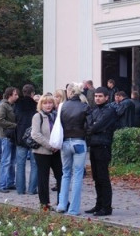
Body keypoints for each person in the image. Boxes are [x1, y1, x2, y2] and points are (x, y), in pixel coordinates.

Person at [85, 86, 119, 216]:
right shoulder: (95, 110)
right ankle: (99, 204)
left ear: (106, 97)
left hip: (103, 146)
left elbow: (97, 126)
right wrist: (93, 126)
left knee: (103, 177)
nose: (97, 98)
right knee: (96, 177)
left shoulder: (110, 111)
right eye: (96, 96)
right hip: (94, 145)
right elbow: (89, 126)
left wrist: (93, 127)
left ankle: (106, 207)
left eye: (100, 96)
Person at [56, 82, 89, 215]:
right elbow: (88, 125)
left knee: (65, 174)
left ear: (69, 92)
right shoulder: (84, 106)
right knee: (77, 175)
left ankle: (61, 204)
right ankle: (74, 209)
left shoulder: (62, 106)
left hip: (65, 142)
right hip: (79, 141)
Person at [31, 93, 63, 210]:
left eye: (50, 103)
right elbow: (35, 134)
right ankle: (44, 203)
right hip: (42, 152)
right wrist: (50, 146)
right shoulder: (37, 116)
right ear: (41, 105)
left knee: (60, 175)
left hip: (56, 151)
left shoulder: (56, 116)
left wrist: (57, 145)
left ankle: (62, 201)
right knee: (43, 177)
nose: (48, 105)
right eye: (45, 103)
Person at [14, 84, 38, 195]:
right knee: (34, 164)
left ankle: (20, 189)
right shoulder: (36, 105)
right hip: (33, 137)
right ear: (32, 93)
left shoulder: (17, 104)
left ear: (23, 92)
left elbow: (14, 119)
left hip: (20, 136)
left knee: (20, 164)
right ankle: (32, 189)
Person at [0, 87, 19, 193]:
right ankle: (2, 184)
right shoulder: (3, 105)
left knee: (12, 160)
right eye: (15, 94)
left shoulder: (12, 105)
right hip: (6, 135)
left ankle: (10, 182)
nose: (17, 96)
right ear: (10, 95)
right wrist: (15, 125)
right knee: (6, 160)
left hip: (12, 136)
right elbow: (0, 120)